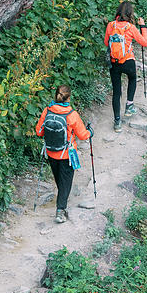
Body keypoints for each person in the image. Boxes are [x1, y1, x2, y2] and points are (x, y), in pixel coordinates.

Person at [34, 85, 92, 223]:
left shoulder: (47, 111)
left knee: (60, 179)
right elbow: (83, 135)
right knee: (65, 181)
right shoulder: (72, 115)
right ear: (69, 97)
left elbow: (39, 131)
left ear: (56, 96)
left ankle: (62, 199)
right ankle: (60, 211)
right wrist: (91, 132)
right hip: (66, 155)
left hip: (51, 152)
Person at [105, 0, 147, 132]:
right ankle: (129, 105)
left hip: (114, 62)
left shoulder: (111, 25)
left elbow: (107, 42)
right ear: (130, 13)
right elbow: (144, 42)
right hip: (128, 60)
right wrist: (143, 26)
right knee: (132, 78)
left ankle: (117, 122)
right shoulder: (130, 28)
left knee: (116, 92)